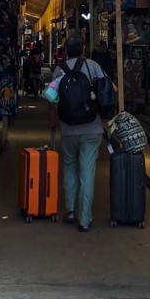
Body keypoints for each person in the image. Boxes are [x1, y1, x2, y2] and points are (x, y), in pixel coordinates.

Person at [49, 36, 107, 232]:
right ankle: (84, 220)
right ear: (83, 49)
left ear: (65, 51)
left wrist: (53, 121)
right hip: (92, 127)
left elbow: (52, 98)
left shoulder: (59, 70)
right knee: (87, 171)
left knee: (70, 168)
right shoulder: (93, 66)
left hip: (68, 128)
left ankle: (71, 211)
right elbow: (110, 90)